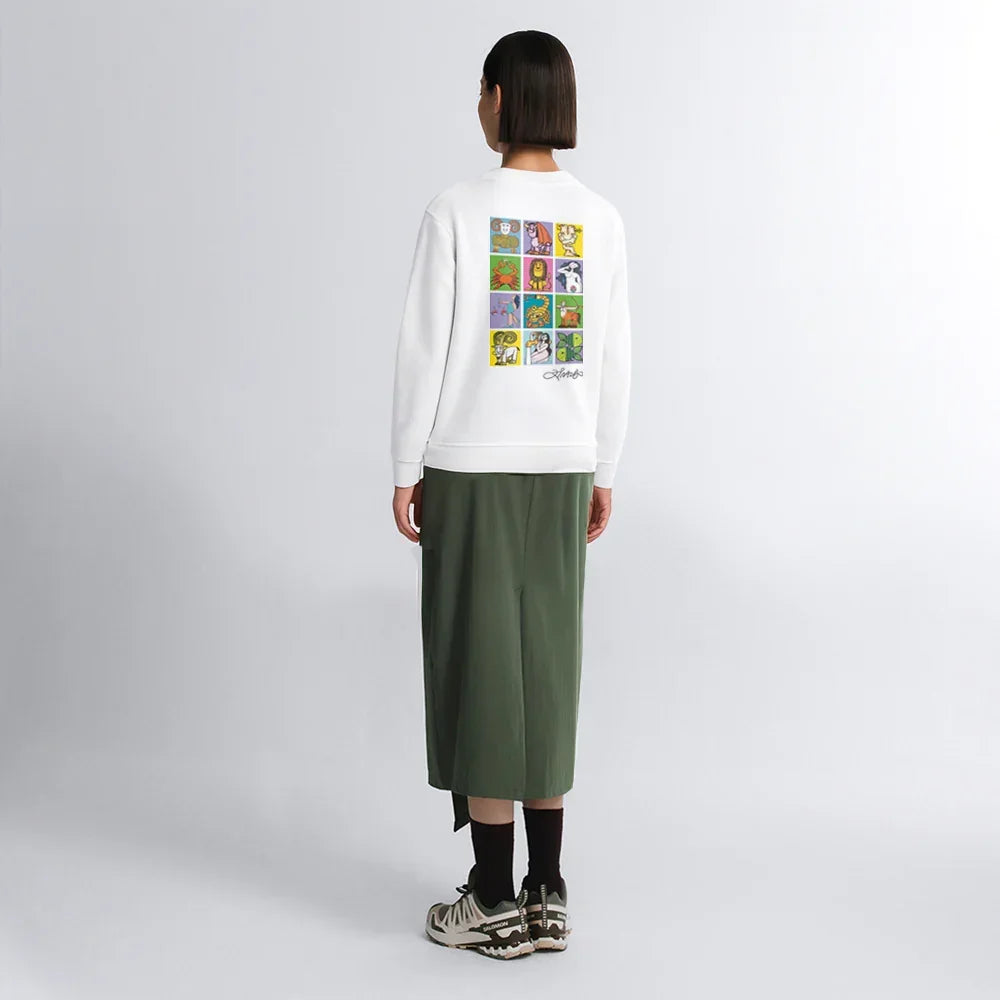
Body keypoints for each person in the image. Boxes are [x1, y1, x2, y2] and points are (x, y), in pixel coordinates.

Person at [390, 29, 632, 960]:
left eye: (481, 89)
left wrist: (406, 464)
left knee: (478, 667)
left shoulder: (458, 210)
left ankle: (492, 897)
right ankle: (547, 890)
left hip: (471, 464)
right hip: (564, 465)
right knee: (546, 669)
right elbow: (613, 357)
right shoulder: (599, 220)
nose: (478, 103)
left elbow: (424, 348)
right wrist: (602, 468)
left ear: (500, 98)